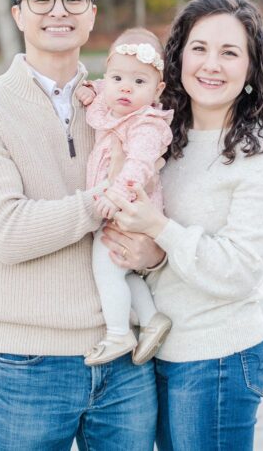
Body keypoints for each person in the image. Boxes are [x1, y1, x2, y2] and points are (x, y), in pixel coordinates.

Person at [0, 0, 164, 451]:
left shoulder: (127, 106)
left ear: (91, 14)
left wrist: (154, 251)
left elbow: (154, 210)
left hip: (127, 359)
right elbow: (8, 234)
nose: (57, 11)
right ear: (19, 13)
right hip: (30, 364)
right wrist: (101, 202)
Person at [102, 0, 263, 450]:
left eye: (229, 52)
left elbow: (238, 272)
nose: (211, 64)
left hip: (217, 359)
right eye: (199, 48)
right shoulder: (161, 138)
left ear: (252, 68)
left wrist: (159, 229)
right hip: (155, 356)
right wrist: (153, 256)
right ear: (177, 58)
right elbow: (162, 259)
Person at [74, 28, 174, 366]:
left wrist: (115, 194)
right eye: (117, 78)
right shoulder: (117, 103)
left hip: (130, 209)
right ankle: (150, 319)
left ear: (158, 89)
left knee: (105, 264)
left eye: (139, 82)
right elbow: (108, 89)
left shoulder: (147, 125)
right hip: (120, 210)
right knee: (123, 269)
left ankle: (118, 333)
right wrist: (93, 92)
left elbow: (139, 166)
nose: (126, 88)